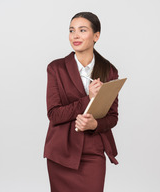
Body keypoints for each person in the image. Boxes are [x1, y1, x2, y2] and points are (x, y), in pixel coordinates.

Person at [44, 12, 119, 192]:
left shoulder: (109, 71)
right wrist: (88, 99)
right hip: (62, 152)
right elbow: (54, 115)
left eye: (82, 30)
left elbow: (112, 117)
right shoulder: (56, 68)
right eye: (71, 30)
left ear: (96, 36)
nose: (75, 36)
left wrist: (95, 124)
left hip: (93, 150)